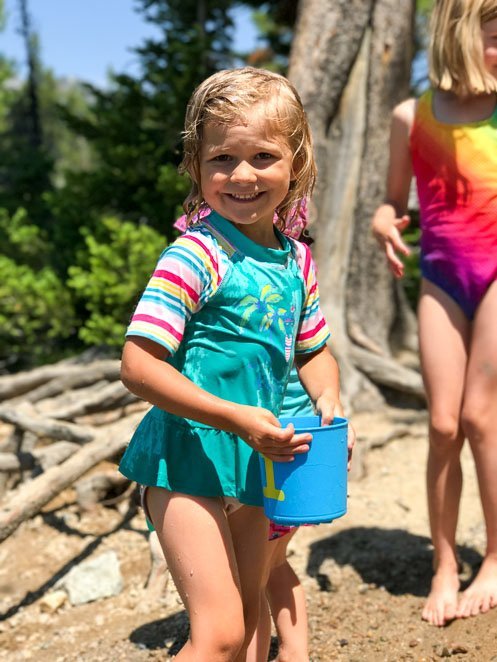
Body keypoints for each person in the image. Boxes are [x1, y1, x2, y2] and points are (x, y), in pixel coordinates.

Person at [119, 66, 347, 661]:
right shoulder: (195, 254)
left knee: (251, 627)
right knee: (218, 634)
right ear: (196, 166)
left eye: (264, 156)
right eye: (222, 158)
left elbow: (314, 350)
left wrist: (328, 404)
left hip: (255, 464)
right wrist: (234, 416)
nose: (242, 175)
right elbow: (139, 365)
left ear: (296, 164)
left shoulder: (297, 261)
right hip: (187, 460)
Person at [372, 0, 497, 628]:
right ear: (459, 34)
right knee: (444, 424)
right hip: (442, 277)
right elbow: (395, 201)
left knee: (481, 415)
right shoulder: (410, 116)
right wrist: (384, 222)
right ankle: (444, 563)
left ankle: (496, 558)